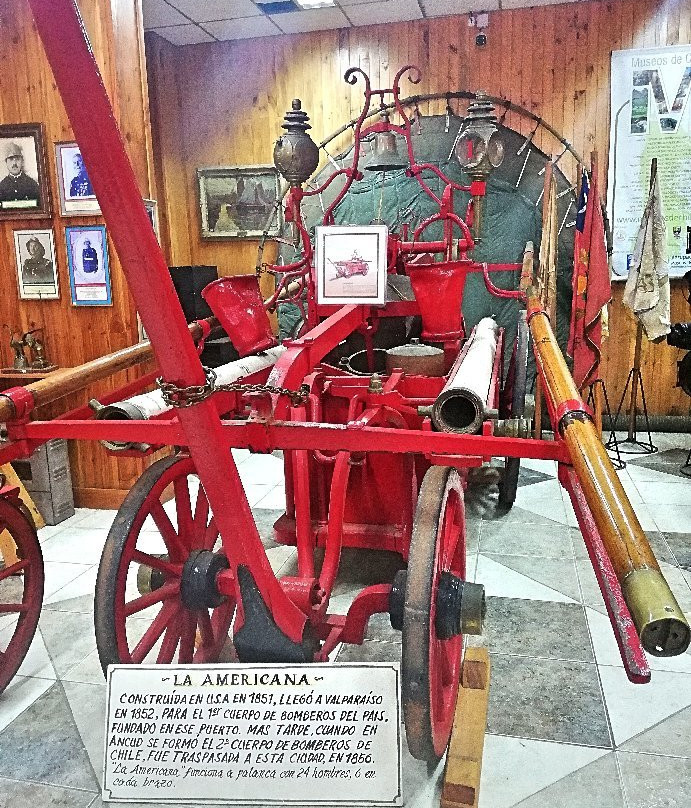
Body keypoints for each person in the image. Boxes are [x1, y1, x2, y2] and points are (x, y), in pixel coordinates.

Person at [0, 142, 40, 207]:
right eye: (11, 159)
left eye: (17, 159)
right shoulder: (2, 186)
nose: (14, 163)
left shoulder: (32, 184)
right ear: (6, 162)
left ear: (22, 161)